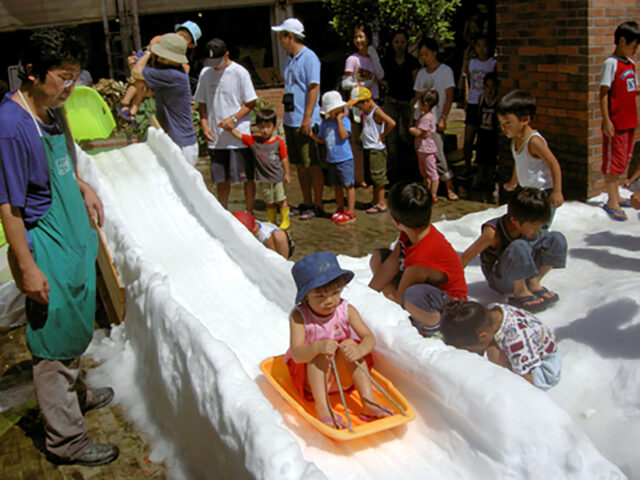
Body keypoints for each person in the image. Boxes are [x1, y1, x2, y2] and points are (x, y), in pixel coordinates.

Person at [0, 28, 118, 466]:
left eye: (75, 76)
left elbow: (58, 167)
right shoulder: (11, 126)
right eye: (62, 77)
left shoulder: (51, 109)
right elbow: (10, 206)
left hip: (72, 240)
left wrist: (82, 185)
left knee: (71, 333)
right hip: (46, 245)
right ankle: (66, 441)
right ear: (31, 73)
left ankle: (78, 395)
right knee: (52, 346)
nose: (70, 87)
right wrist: (28, 266)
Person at [285, 251, 391, 428]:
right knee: (318, 355)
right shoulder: (299, 316)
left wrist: (359, 349)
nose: (329, 301)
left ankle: (368, 402)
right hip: (311, 381)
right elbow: (296, 354)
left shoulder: (345, 309)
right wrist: (316, 347)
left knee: (350, 343)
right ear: (306, 297)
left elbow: (368, 338)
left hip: (342, 377)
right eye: (320, 296)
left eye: (335, 293)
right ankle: (323, 408)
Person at [368, 181, 467, 336]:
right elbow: (391, 264)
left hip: (450, 302)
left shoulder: (422, 257)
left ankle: (433, 322)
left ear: (396, 221)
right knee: (378, 258)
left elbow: (400, 298)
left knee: (411, 296)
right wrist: (368, 294)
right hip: (419, 281)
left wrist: (388, 295)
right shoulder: (411, 231)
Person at [460, 188, 567, 313]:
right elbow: (465, 257)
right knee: (519, 245)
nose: (537, 230)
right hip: (502, 279)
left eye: (540, 225)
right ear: (514, 220)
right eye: (533, 227)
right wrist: (454, 290)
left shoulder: (530, 228)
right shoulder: (493, 233)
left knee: (556, 238)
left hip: (525, 272)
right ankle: (520, 292)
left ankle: (534, 282)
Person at [272, 18, 327, 220]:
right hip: (290, 119)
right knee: (300, 165)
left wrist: (307, 117)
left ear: (290, 36)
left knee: (312, 163)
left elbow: (314, 87)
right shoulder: (288, 59)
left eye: (282, 35)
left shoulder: (309, 58)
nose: (279, 39)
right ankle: (307, 201)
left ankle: (318, 204)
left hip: (305, 120)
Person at [195, 38, 258, 211]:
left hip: (237, 135)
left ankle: (249, 211)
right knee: (220, 179)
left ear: (227, 55)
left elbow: (251, 102)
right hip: (216, 137)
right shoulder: (205, 73)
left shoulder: (240, 72)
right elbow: (201, 102)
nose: (214, 65)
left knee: (246, 176)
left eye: (218, 61)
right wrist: (204, 124)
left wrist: (234, 119)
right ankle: (224, 211)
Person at [440, 300, 561, 390]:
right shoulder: (491, 312)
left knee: (494, 353)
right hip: (531, 352)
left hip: (544, 368)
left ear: (483, 336)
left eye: (470, 349)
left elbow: (528, 384)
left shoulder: (517, 342)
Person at [498, 90, 564, 227]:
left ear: (525, 120)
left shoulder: (534, 142)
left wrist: (557, 191)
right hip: (527, 192)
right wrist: (513, 181)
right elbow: (520, 163)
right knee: (526, 228)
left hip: (543, 194)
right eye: (501, 123)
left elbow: (554, 164)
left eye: (508, 123)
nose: (503, 128)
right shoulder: (515, 140)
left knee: (539, 228)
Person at [131, 34, 199, 166]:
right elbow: (146, 89)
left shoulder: (172, 75)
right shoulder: (169, 72)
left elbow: (136, 72)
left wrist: (147, 53)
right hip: (177, 142)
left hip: (181, 145)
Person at [119, 21, 201, 123]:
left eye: (185, 38)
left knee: (141, 85)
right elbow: (153, 43)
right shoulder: (163, 40)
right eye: (180, 35)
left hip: (156, 95)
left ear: (190, 45)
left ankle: (131, 111)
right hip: (147, 62)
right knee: (140, 83)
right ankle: (126, 106)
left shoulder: (184, 68)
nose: (180, 39)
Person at [599, 21, 640, 221]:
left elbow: (632, 89)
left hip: (629, 122)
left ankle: (616, 195)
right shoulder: (611, 63)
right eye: (634, 46)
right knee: (613, 163)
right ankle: (611, 201)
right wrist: (607, 120)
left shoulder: (630, 64)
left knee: (623, 160)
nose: (636, 50)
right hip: (616, 123)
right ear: (622, 41)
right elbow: (603, 93)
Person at [224, 109, 291, 230]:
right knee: (269, 200)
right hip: (264, 178)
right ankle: (272, 220)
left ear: (274, 127)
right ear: (258, 127)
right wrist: (229, 129)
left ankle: (285, 220)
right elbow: (240, 136)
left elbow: (284, 158)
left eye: (268, 127)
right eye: (262, 127)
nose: (265, 130)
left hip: (277, 177)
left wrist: (287, 173)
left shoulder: (278, 142)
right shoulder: (255, 141)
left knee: (281, 199)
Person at [413, 38, 459, 201]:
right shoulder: (421, 74)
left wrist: (444, 117)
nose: (424, 58)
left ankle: (449, 186)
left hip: (436, 120)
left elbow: (449, 96)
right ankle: (427, 187)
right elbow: (417, 96)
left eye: (427, 54)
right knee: (424, 157)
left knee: (438, 154)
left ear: (434, 53)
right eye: (422, 55)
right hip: (422, 120)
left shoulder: (445, 71)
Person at [342, 24, 385, 187]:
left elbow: (380, 75)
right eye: (356, 37)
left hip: (373, 104)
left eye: (361, 36)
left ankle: (376, 177)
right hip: (357, 106)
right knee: (357, 143)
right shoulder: (352, 59)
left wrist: (374, 55)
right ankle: (359, 177)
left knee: (374, 140)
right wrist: (360, 84)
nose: (358, 40)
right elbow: (345, 83)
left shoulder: (373, 57)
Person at [308, 91, 356, 225]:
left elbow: (343, 136)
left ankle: (351, 211)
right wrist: (312, 135)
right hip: (332, 159)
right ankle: (340, 208)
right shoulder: (325, 124)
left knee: (348, 185)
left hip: (345, 158)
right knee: (337, 186)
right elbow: (322, 140)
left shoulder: (345, 121)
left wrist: (340, 120)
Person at [347, 85, 396, 213]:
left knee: (378, 177)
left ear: (367, 101)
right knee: (373, 177)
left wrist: (382, 135)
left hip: (377, 149)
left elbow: (391, 123)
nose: (358, 108)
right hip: (370, 147)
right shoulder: (367, 112)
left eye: (359, 105)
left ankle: (381, 203)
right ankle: (375, 200)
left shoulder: (376, 111)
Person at [381, 30, 421, 184]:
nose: (399, 45)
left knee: (409, 135)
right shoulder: (386, 61)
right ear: (392, 43)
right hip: (391, 101)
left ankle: (412, 171)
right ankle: (392, 173)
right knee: (391, 137)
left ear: (407, 43)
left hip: (407, 102)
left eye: (402, 42)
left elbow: (416, 82)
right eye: (396, 42)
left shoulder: (412, 62)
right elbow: (381, 78)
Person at [461, 36, 496, 178]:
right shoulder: (472, 63)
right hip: (473, 102)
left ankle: (487, 169)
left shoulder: (493, 63)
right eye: (478, 46)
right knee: (468, 137)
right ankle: (467, 165)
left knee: (485, 137)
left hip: (487, 103)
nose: (481, 49)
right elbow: (467, 81)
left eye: (485, 46)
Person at [409, 89, 440, 203]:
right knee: (425, 172)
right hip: (421, 150)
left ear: (425, 104)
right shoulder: (425, 116)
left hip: (427, 150)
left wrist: (412, 129)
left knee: (432, 173)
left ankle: (433, 194)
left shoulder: (427, 118)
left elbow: (421, 132)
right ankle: (426, 190)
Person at [473, 72, 499, 202]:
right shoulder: (481, 99)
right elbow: (478, 114)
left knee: (491, 159)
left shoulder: (498, 101)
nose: (490, 90)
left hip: (492, 134)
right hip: (483, 131)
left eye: (492, 87)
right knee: (480, 157)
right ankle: (479, 179)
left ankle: (490, 180)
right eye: (487, 87)